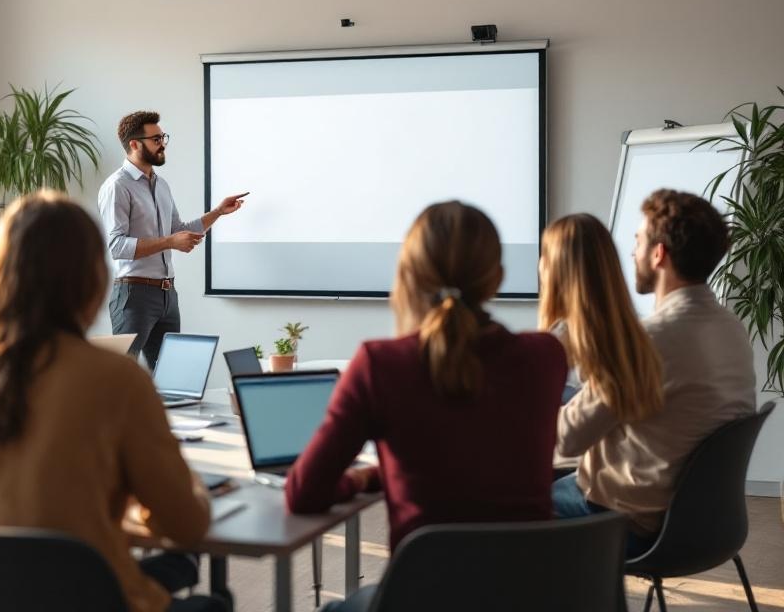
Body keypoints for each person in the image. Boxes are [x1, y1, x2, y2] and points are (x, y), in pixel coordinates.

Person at [0, 191, 223, 612]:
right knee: (206, 596)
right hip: (88, 597)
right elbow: (186, 523)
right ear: (92, 279)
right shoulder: (116, 379)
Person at [285, 201, 567, 612]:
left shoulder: (379, 365)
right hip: (533, 597)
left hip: (421, 599)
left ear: (409, 276)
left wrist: (366, 480)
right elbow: (483, 447)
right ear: (499, 278)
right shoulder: (546, 357)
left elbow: (304, 493)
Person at [554, 190, 756, 554]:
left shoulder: (648, 340)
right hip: (708, 522)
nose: (632, 253)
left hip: (632, 521)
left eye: (637, 241)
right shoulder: (731, 327)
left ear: (658, 254)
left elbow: (568, 438)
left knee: (513, 505)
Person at [97, 110, 246, 368]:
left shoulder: (161, 184)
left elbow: (179, 229)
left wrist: (219, 212)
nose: (162, 143)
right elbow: (117, 246)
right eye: (156, 139)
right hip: (133, 295)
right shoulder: (117, 186)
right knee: (120, 376)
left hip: (167, 295)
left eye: (163, 137)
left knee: (170, 376)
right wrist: (169, 242)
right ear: (134, 144)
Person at [538, 213, 663, 416]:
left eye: (544, 254)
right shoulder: (639, 340)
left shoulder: (556, 346)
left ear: (554, 269)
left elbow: (558, 438)